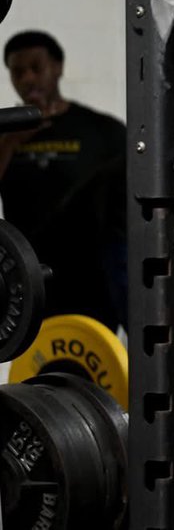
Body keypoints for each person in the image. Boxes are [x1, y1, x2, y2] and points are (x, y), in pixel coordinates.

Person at [0, 31, 126, 329]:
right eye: (18, 72)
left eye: (36, 68)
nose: (28, 79)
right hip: (28, 277)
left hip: (91, 281)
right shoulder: (4, 134)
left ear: (57, 68)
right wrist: (10, 142)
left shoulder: (102, 130)